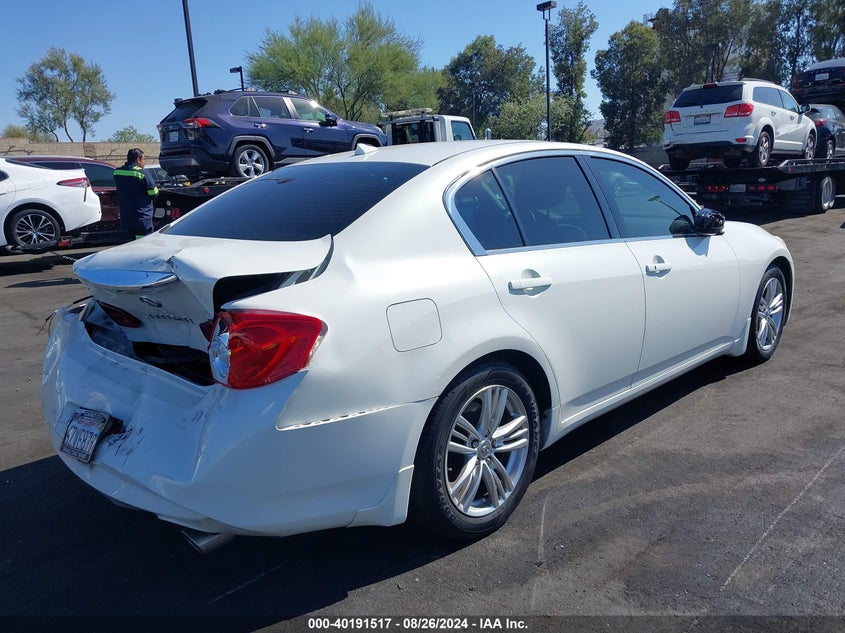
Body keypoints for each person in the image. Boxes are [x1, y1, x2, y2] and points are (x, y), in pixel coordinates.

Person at [113, 148, 158, 239]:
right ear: (138, 159)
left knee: (131, 244)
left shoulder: (117, 172)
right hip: (142, 216)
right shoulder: (142, 173)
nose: (144, 162)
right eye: (144, 159)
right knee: (143, 243)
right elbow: (153, 193)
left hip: (126, 216)